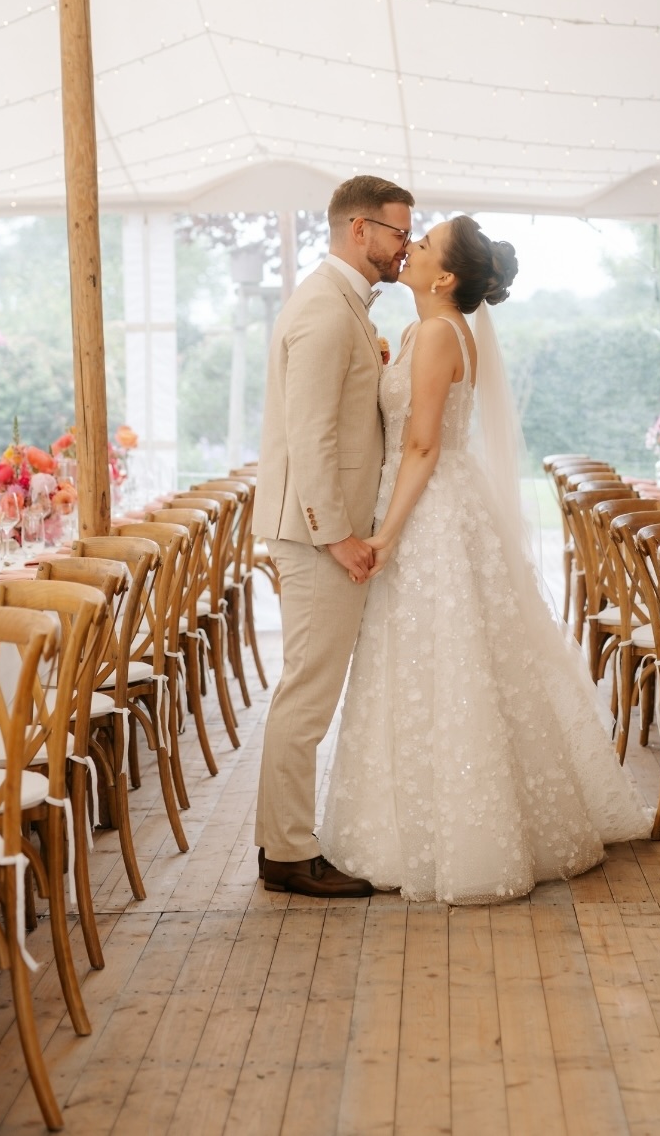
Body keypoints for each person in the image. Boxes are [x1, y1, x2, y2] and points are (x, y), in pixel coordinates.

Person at [319, 215, 650, 903]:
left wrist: (387, 534)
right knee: (421, 662)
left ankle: (465, 838)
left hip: (431, 511)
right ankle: (413, 824)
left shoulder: (439, 332)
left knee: (448, 658)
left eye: (425, 243)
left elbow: (423, 446)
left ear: (443, 277)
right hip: (429, 501)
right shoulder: (419, 332)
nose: (408, 247)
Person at [253, 174, 414, 898]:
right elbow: (311, 436)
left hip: (324, 530)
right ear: (360, 230)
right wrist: (337, 535)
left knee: (309, 689)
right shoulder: (323, 309)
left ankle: (285, 842)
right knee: (307, 693)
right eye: (398, 232)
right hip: (316, 535)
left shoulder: (343, 303)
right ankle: (285, 851)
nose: (404, 246)